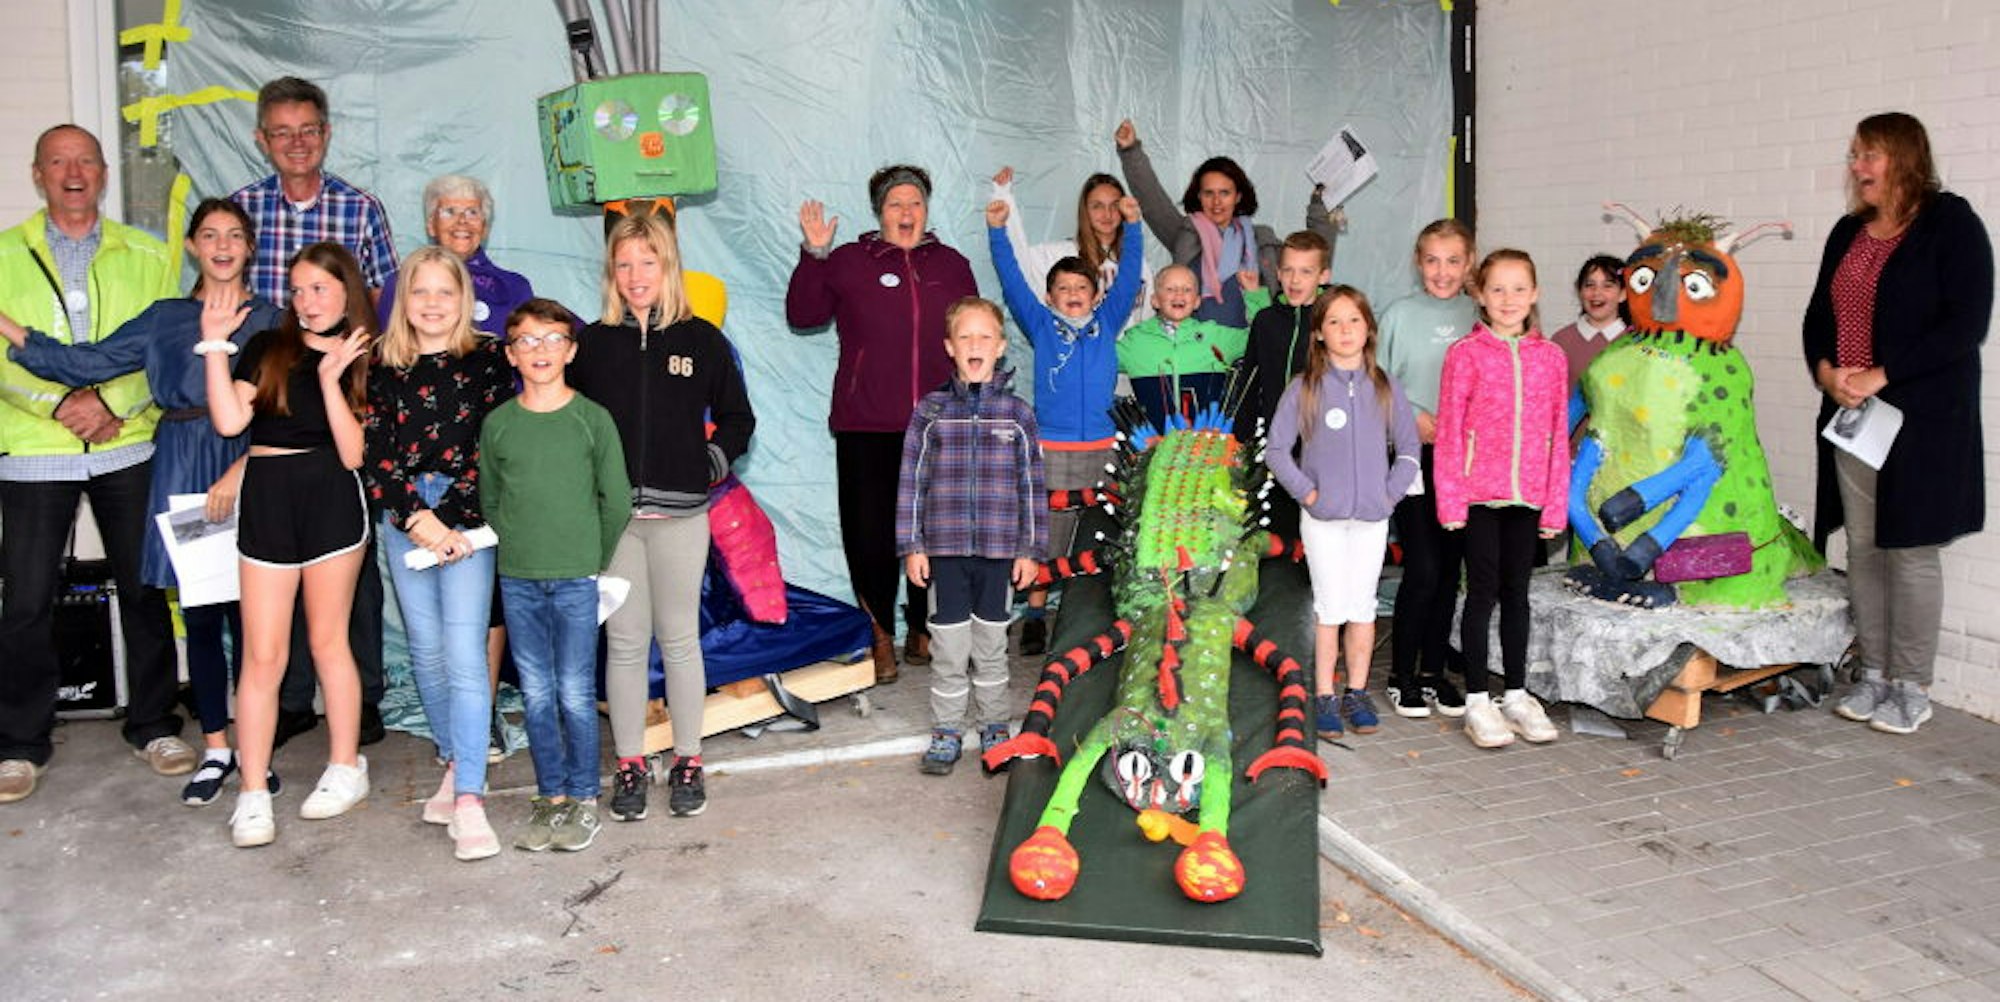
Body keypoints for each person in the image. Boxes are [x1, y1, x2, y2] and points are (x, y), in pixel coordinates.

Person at [0, 198, 279, 806]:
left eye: (235, 235)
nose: (223, 245)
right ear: (193, 247)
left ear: (250, 247)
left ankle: (255, 748)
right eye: (210, 235)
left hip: (250, 467)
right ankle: (216, 748)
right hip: (183, 464)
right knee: (201, 614)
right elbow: (84, 363)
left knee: (255, 619)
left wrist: (244, 468)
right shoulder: (165, 318)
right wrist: (11, 328)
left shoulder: (272, 321)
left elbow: (290, 406)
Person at [0, 124, 188, 805]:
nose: (73, 171)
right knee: (25, 600)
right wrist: (58, 405)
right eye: (58, 161)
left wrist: (111, 404)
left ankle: (154, 724)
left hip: (126, 442)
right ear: (38, 173)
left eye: (85, 160)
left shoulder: (147, 254)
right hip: (35, 450)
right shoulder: (5, 255)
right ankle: (20, 742)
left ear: (104, 173)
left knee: (144, 588)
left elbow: (166, 346)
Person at [1805, 112, 1992, 736]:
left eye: (1870, 155)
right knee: (1864, 547)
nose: (1857, 166)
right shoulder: (1848, 232)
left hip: (1924, 419)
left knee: (1910, 549)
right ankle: (1875, 675)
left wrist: (1883, 374)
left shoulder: (1950, 224)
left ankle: (1912, 686)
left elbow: (1965, 324)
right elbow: (1818, 316)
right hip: (1854, 416)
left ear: (1904, 157)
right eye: (1854, 155)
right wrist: (1828, 372)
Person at [570, 213, 754, 823]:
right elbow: (569, 421)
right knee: (625, 644)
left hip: (681, 520)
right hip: (616, 525)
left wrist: (709, 464)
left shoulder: (702, 340)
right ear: (611, 273)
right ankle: (629, 763)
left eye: (647, 262)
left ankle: (688, 760)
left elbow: (739, 419)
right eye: (623, 265)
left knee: (679, 640)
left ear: (668, 266)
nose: (635, 275)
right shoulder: (592, 344)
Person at [231, 76, 396, 750]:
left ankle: (364, 695)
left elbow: (379, 299)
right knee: (276, 569)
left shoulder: (361, 208)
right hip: (272, 385)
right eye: (282, 132)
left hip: (340, 382)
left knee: (351, 569)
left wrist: (358, 374)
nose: (295, 143)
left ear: (326, 135)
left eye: (307, 130)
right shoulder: (244, 209)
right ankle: (292, 699)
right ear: (262, 139)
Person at [200, 242, 374, 847]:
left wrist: (329, 379)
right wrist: (215, 346)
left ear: (346, 290)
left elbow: (353, 454)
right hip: (269, 500)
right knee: (263, 655)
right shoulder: (266, 348)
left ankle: (346, 766)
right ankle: (251, 791)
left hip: (331, 497)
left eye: (319, 288)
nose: (307, 301)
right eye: (298, 290)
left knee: (328, 641)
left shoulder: (364, 354)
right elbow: (230, 421)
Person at [787, 165, 978, 679]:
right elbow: (803, 315)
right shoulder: (850, 261)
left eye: (915, 203)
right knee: (869, 534)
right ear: (880, 212)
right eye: (896, 204)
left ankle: (922, 628)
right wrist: (815, 255)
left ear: (927, 210)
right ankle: (879, 635)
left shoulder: (953, 266)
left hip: (939, 424)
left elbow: (973, 334)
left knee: (935, 532)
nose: (906, 212)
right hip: (866, 425)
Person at [364, 246, 515, 860]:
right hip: (406, 518)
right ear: (404, 301)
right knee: (426, 652)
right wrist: (414, 518)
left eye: (444, 292)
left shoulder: (488, 360)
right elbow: (377, 453)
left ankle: (472, 798)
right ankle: (455, 763)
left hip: (466, 519)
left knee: (464, 652)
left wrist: (446, 518)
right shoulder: (383, 365)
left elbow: (495, 447)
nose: (432, 303)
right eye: (420, 292)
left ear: (463, 300)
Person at [481, 299, 630, 853]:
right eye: (526, 340)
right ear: (511, 354)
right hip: (518, 577)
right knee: (538, 693)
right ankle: (551, 796)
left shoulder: (592, 419)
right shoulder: (499, 424)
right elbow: (492, 499)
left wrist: (590, 558)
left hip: (575, 578)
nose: (539, 350)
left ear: (570, 351)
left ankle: (584, 797)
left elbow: (616, 500)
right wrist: (520, 546)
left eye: (552, 340)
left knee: (574, 691)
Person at [985, 192, 1145, 656]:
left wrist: (1133, 227)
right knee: (1048, 539)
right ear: (1049, 297)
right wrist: (997, 232)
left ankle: (1091, 619)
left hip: (1102, 450)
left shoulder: (1107, 321)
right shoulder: (1040, 325)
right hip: (1052, 450)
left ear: (1096, 295)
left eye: (1081, 287)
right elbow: (1012, 281)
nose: (1073, 294)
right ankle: (1035, 615)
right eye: (1063, 288)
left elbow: (1129, 274)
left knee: (1098, 536)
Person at [897, 297, 1046, 774]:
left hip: (1000, 553)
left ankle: (994, 726)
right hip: (945, 552)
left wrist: (1030, 550)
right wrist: (912, 546)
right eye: (965, 337)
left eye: (985, 337)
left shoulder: (1018, 415)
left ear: (1000, 347)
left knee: (991, 646)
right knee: (948, 647)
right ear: (950, 347)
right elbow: (911, 482)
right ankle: (946, 730)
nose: (975, 344)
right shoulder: (931, 411)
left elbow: (1032, 486)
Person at [1264, 287, 1420, 740]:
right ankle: (1324, 695)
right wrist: (1308, 494)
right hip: (1323, 520)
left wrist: (1388, 496)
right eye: (1334, 321)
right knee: (1330, 608)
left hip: (1372, 518)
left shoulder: (1385, 387)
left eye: (1354, 320)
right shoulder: (1305, 388)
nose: (1345, 330)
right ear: (1318, 333)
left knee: (1363, 607)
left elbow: (1409, 448)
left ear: (1369, 329)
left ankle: (1357, 691)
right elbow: (1277, 450)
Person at [1433, 249, 1569, 751]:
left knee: (1517, 595)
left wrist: (1554, 504)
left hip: (1528, 496)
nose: (1508, 299)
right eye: (1497, 289)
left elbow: (1559, 433)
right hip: (1477, 496)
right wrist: (1450, 501)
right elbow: (1449, 431)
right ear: (1480, 295)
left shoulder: (1551, 358)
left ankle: (1515, 693)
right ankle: (1476, 699)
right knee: (1482, 592)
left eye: (1518, 289)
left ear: (1534, 294)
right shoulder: (1465, 354)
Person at [1378, 219, 1478, 720]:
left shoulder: (1479, 314)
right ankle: (1401, 676)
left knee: (1450, 568)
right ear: (1418, 262)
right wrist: (1412, 416)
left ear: (1469, 263)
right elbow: (1375, 381)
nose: (1442, 272)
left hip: (1465, 459)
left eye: (1453, 261)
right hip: (1412, 454)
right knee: (1423, 567)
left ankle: (1434, 673)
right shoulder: (1398, 314)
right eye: (1433, 260)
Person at [1114, 119, 1341, 327]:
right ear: (1198, 197)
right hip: (1195, 351)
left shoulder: (1262, 242)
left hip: (1252, 351)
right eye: (1208, 193)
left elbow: (1315, 254)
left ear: (1238, 196)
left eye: (1225, 193)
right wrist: (1130, 151)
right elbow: (1153, 201)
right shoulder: (1186, 235)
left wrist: (1321, 204)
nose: (1216, 202)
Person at [1240, 229, 1334, 540]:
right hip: (1276, 445)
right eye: (1288, 270)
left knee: (1320, 529)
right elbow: (1250, 380)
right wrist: (1240, 437)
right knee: (1281, 533)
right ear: (1278, 273)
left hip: (1323, 445)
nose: (1295, 280)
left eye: (1306, 272)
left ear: (1323, 276)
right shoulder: (1265, 321)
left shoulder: (1333, 321)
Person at [989, 167, 1150, 331]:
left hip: (1132, 346)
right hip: (1077, 346)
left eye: (1115, 205)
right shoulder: (1059, 255)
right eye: (1097, 206)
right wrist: (1003, 197)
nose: (1107, 214)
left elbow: (1147, 315)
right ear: (1085, 210)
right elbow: (1016, 263)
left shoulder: (1136, 261)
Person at [374, 175, 534, 335]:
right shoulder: (401, 283)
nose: (462, 221)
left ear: (485, 228)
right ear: (431, 226)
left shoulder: (515, 288)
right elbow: (391, 344)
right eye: (449, 212)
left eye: (472, 212)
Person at [1115, 263, 1268, 430]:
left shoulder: (1215, 336)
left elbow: (1263, 335)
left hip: (1209, 442)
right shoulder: (1135, 342)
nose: (1179, 294)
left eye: (1187, 289)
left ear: (1197, 302)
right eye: (1170, 289)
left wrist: (1254, 294)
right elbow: (1096, 359)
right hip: (1154, 443)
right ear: (1155, 301)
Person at [1548, 255, 1629, 392]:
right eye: (1589, 285)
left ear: (1623, 294)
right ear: (1580, 291)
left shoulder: (1636, 341)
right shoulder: (1560, 341)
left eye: (1607, 286)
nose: (1596, 293)